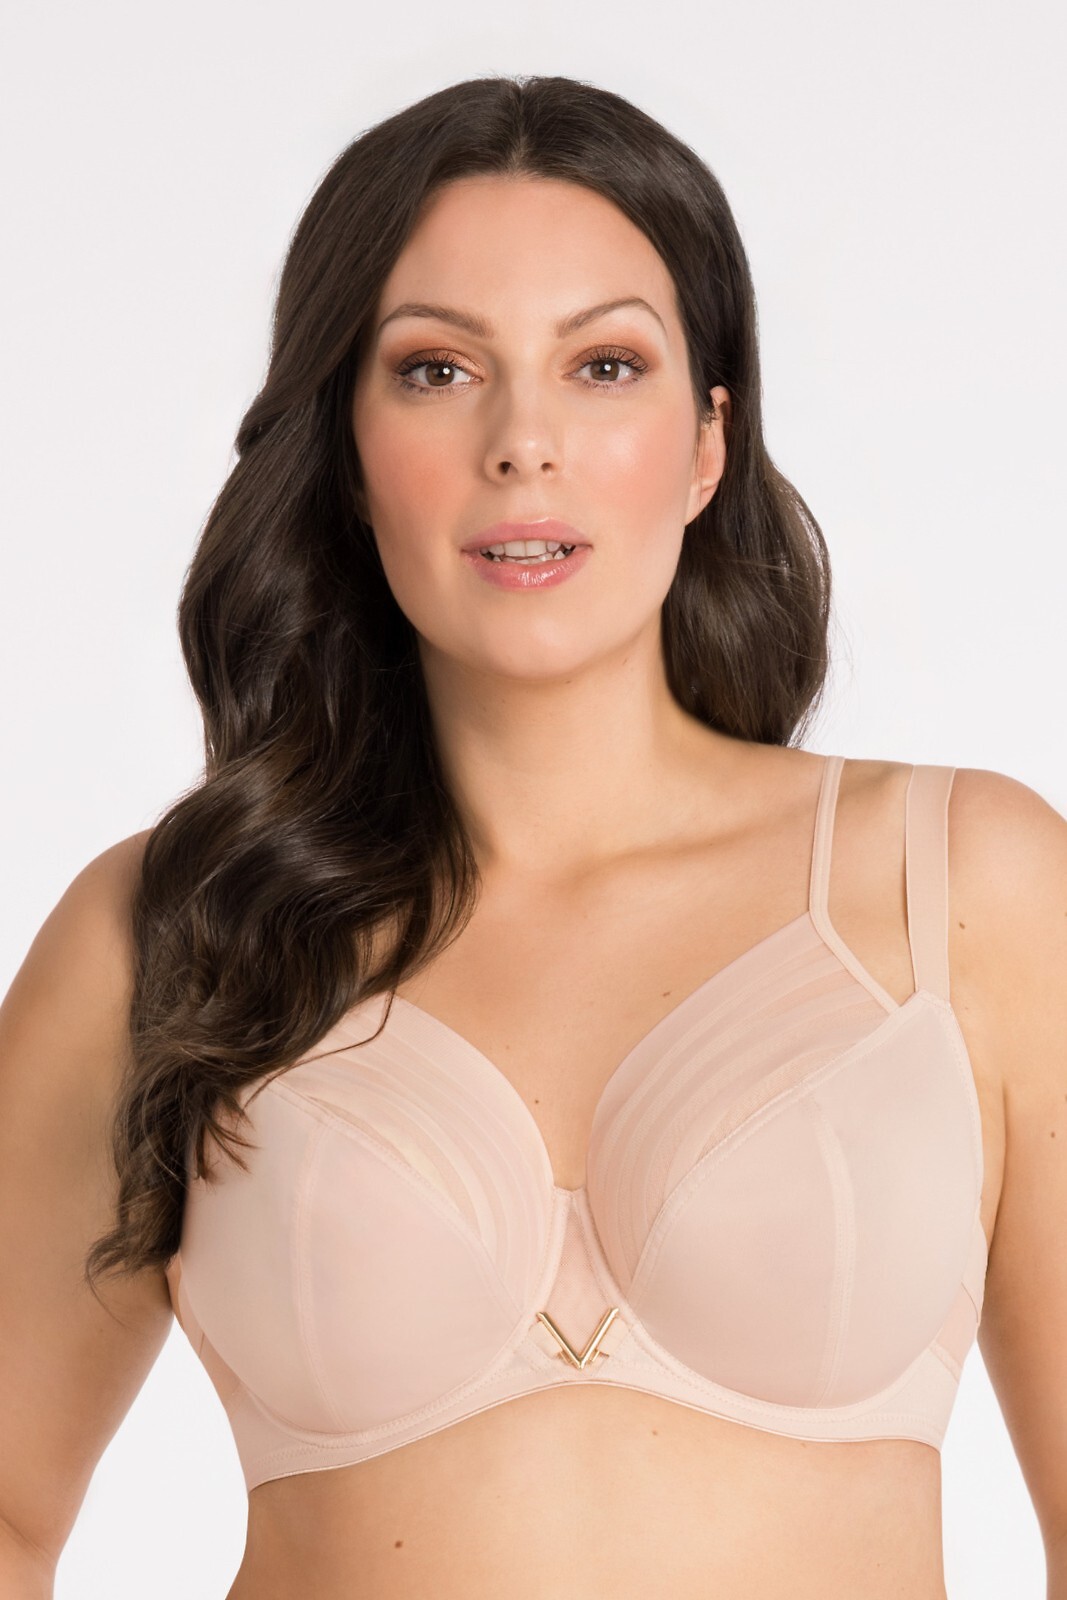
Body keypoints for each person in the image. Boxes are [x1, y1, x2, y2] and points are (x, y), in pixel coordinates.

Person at [1, 72, 1065, 1600]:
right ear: (347, 450)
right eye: (437, 370)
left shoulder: (966, 889)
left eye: (605, 364)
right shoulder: (178, 931)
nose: (524, 442)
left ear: (707, 444)